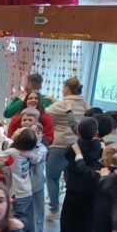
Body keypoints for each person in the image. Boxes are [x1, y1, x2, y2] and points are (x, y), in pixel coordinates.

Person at [57, 117, 104, 232]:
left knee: (68, 230)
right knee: (87, 230)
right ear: (96, 132)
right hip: (92, 197)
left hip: (73, 195)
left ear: (78, 132)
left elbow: (68, 157)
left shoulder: (73, 147)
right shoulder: (101, 148)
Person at [45, 76, 89, 218]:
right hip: (76, 146)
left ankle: (54, 209)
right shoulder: (84, 103)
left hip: (59, 145)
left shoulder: (63, 104)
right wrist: (56, 101)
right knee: (70, 179)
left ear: (66, 89)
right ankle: (68, 208)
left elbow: (44, 113)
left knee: (52, 178)